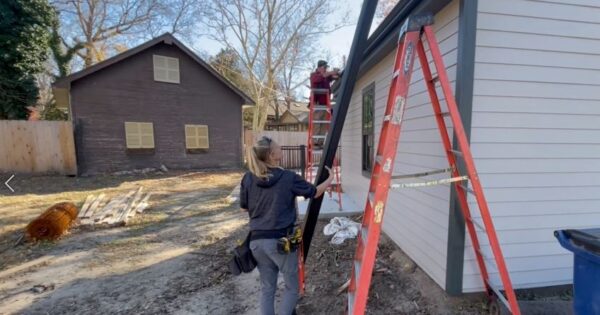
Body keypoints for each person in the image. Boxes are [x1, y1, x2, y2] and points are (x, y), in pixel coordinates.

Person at [240, 136, 335, 315]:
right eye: (279, 148)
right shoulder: (288, 177)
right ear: (271, 154)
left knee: (267, 289)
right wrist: (330, 179)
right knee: (292, 288)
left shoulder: (248, 178)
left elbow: (245, 208)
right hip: (281, 242)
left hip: (257, 242)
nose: (281, 149)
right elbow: (314, 193)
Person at [310, 60, 340, 149]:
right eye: (324, 67)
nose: (326, 69)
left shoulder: (326, 77)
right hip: (317, 103)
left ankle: (320, 143)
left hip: (325, 103)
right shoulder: (314, 75)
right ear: (319, 67)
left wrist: (337, 73)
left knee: (323, 124)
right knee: (317, 122)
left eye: (326, 67)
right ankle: (315, 143)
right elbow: (321, 76)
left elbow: (335, 77)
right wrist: (332, 72)